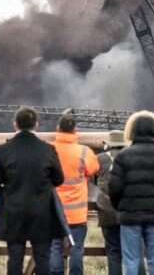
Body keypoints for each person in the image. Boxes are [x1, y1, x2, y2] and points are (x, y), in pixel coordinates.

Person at [0, 107, 66, 275]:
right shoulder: (47, 149)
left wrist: (2, 203)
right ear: (36, 125)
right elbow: (59, 178)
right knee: (42, 257)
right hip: (42, 212)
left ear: (15, 125)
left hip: (14, 210)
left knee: (15, 257)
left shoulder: (3, 150)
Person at [110, 111, 154, 275]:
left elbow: (114, 187)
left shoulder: (122, 156)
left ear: (132, 132)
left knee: (131, 262)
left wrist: (120, 206)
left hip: (130, 215)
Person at [50, 114, 100, 275]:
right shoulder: (84, 152)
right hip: (77, 214)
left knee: (54, 248)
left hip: (54, 212)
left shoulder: (48, 150)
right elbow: (93, 169)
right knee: (76, 249)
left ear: (58, 129)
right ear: (75, 130)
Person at [94, 129, 136, 275]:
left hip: (107, 211)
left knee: (113, 251)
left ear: (109, 145)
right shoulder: (131, 158)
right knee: (131, 253)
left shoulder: (99, 158)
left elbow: (94, 180)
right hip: (128, 211)